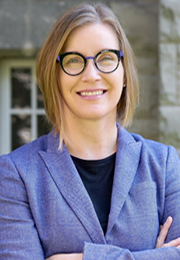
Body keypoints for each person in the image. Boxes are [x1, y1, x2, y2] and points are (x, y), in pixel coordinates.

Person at [0, 3, 180, 260]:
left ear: (125, 72)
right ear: (56, 76)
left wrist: (84, 258)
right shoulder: (15, 174)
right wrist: (154, 256)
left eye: (106, 58)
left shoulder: (164, 164)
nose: (91, 74)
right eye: (74, 61)